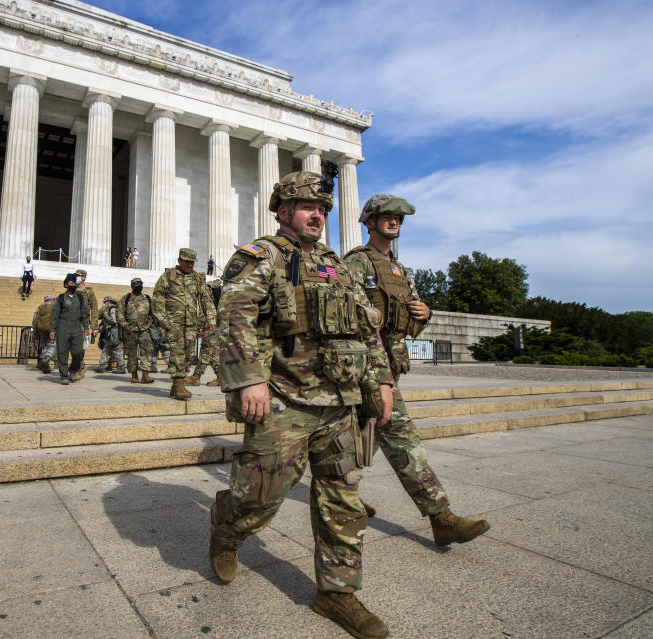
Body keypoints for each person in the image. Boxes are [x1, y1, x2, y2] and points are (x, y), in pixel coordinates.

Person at [209, 171, 395, 639]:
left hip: (339, 402)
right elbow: (235, 315)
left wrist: (383, 381)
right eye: (309, 207)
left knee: (342, 496)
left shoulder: (337, 263)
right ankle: (227, 528)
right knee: (258, 499)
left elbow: (365, 327)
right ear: (283, 211)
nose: (318, 216)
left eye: (324, 209)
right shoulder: (262, 256)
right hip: (284, 399)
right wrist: (249, 380)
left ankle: (337, 593)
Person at [344, 194, 490, 547]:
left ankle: (344, 492)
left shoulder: (400, 269)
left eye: (398, 218)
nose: (394, 222)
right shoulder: (357, 263)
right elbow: (349, 316)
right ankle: (442, 517)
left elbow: (409, 319)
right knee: (401, 436)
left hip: (392, 363)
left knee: (364, 434)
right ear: (369, 222)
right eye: (387, 217)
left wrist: (425, 315)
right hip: (368, 365)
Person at [152, 248, 216, 400]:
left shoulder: (197, 278)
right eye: (187, 261)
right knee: (177, 352)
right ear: (179, 260)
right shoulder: (168, 277)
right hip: (174, 323)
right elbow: (157, 298)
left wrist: (211, 318)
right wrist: (163, 319)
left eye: (192, 262)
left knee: (188, 354)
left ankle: (176, 385)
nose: (189, 265)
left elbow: (206, 299)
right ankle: (179, 384)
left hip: (192, 323)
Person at [49, 273, 90, 385]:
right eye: (70, 283)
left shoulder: (80, 298)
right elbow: (54, 315)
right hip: (63, 328)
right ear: (66, 284)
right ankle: (64, 375)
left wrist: (86, 327)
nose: (72, 285)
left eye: (74, 283)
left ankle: (73, 369)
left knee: (78, 352)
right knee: (62, 353)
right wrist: (52, 330)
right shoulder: (61, 298)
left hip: (76, 328)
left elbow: (84, 314)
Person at [118, 277, 155, 384]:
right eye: (135, 284)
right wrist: (125, 325)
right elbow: (119, 313)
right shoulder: (126, 298)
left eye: (139, 284)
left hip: (144, 329)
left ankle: (145, 375)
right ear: (132, 286)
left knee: (147, 352)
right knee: (131, 353)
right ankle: (134, 375)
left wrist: (153, 324)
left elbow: (153, 313)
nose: (138, 286)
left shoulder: (147, 298)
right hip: (130, 331)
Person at [187, 278, 223, 387]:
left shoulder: (204, 291)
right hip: (216, 323)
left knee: (206, 351)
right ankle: (220, 377)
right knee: (214, 353)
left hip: (211, 324)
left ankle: (196, 376)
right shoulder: (206, 290)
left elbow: (209, 308)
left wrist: (207, 325)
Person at [75, 269, 98, 376]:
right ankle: (79, 364)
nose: (77, 277)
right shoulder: (72, 289)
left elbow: (94, 308)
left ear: (83, 277)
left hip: (83, 322)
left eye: (79, 276)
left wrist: (94, 326)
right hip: (71, 321)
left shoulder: (89, 291)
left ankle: (80, 365)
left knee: (79, 345)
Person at [95, 297, 125, 373]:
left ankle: (102, 366)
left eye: (105, 302)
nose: (104, 304)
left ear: (108, 302)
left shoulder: (113, 310)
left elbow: (113, 321)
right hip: (113, 332)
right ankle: (120, 367)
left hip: (114, 331)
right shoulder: (114, 309)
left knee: (110, 349)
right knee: (113, 349)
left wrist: (106, 315)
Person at [32, 295, 57, 373]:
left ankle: (43, 361)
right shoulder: (54, 308)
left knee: (44, 346)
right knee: (53, 346)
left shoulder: (40, 308)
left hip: (42, 330)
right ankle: (46, 360)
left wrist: (36, 332)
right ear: (51, 300)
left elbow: (34, 321)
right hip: (52, 330)